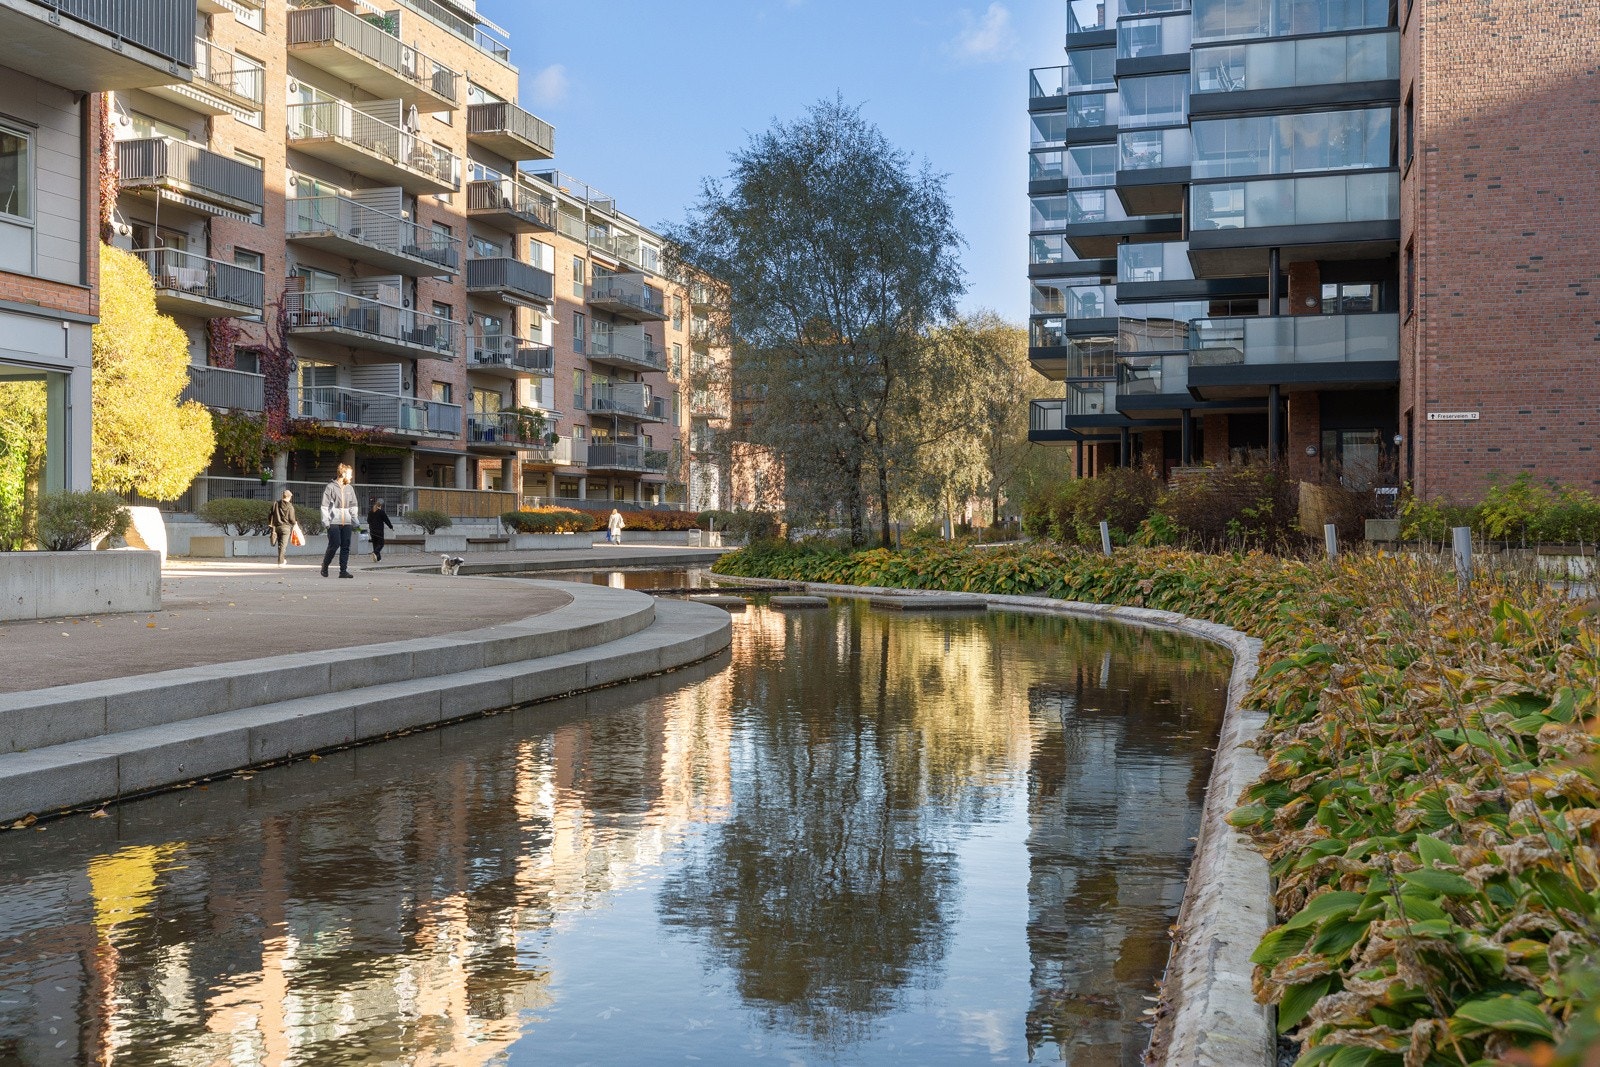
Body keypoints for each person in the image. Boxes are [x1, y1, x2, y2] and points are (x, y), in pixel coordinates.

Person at [320, 463, 358, 578]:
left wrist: (355, 520)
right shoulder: (330, 487)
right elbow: (324, 506)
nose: (351, 477)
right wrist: (325, 521)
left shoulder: (350, 488)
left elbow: (353, 505)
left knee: (345, 546)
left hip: (346, 522)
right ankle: (325, 565)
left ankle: (343, 571)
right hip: (333, 522)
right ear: (343, 473)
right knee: (334, 544)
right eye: (350, 475)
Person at [268, 489, 296, 567]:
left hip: (276, 527)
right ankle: (281, 562)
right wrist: (295, 524)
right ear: (289, 497)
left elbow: (270, 515)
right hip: (286, 528)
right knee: (283, 545)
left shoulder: (275, 504)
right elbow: (291, 519)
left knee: (280, 545)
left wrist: (271, 524)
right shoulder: (290, 506)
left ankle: (282, 560)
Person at [368, 498, 394, 562]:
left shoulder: (370, 512)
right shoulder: (381, 512)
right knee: (381, 544)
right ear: (380, 506)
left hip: (372, 531)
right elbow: (386, 520)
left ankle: (378, 558)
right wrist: (391, 527)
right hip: (379, 530)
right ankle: (375, 552)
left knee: (375, 544)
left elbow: (368, 521)